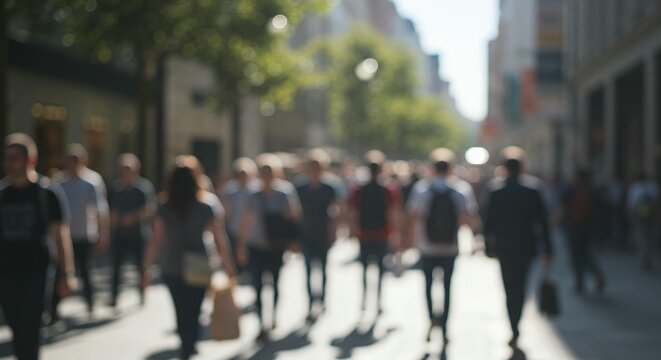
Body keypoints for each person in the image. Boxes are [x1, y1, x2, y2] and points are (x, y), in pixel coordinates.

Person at [142, 159, 236, 360]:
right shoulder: (207, 204)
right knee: (194, 309)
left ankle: (186, 344)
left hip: (171, 264)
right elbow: (220, 239)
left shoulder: (164, 206)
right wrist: (229, 268)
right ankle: (190, 344)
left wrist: (147, 268)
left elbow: (156, 240)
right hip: (200, 264)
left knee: (180, 308)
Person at [0, 133, 77, 360]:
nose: (9, 163)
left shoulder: (47, 192)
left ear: (30, 159)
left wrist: (67, 274)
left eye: (15, 157)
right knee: (15, 328)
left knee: (31, 328)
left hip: (37, 271)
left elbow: (62, 236)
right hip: (7, 273)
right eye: (7, 158)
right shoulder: (2, 195)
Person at [405, 148, 479, 344]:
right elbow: (467, 218)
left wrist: (410, 242)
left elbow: (412, 216)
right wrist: (473, 241)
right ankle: (445, 327)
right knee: (447, 287)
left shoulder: (422, 189)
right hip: (450, 247)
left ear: (432, 168)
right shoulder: (460, 189)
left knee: (428, 285)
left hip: (426, 246)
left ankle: (432, 319)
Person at [484, 148, 552, 349]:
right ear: (522, 167)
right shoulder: (533, 190)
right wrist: (548, 251)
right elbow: (543, 223)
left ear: (504, 168)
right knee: (521, 286)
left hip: (505, 247)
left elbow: (488, 222)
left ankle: (513, 325)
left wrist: (489, 246)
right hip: (526, 247)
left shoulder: (496, 191)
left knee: (509, 287)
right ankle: (516, 324)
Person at [236, 153, 301, 341]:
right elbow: (246, 221)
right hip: (257, 244)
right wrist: (240, 245)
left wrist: (293, 240)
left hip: (276, 245)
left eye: (270, 172)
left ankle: (272, 315)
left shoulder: (284, 192)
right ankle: (260, 322)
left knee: (275, 281)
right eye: (263, 172)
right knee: (256, 284)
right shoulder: (252, 194)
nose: (266, 176)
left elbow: (293, 218)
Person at [51, 145, 109, 321]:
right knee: (59, 272)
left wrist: (103, 233)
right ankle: (53, 309)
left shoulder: (91, 181)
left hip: (84, 234)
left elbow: (100, 210)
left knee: (86, 270)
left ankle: (90, 302)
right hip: (64, 236)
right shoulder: (59, 182)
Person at [348, 150, 401, 315]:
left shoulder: (359, 189)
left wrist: (353, 230)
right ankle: (378, 301)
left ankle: (364, 298)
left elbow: (353, 212)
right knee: (380, 270)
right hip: (382, 234)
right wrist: (395, 233)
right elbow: (393, 213)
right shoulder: (388, 189)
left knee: (364, 269)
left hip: (364, 233)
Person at [295, 149, 339, 320]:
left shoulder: (329, 187)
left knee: (323, 269)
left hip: (323, 233)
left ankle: (322, 300)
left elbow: (335, 209)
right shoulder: (300, 188)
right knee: (307, 270)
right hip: (306, 234)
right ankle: (310, 302)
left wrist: (334, 230)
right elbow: (295, 213)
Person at [109, 153, 155, 307]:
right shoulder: (116, 188)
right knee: (116, 267)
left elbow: (148, 210)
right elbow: (113, 211)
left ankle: (142, 292)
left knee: (140, 267)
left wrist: (132, 218)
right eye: (122, 169)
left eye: (128, 169)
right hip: (120, 234)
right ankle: (114, 296)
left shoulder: (143, 188)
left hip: (138, 234)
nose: (125, 172)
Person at [561, 169, 606, 293]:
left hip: (574, 227)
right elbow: (601, 212)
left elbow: (563, 207)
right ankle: (596, 275)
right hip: (588, 228)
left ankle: (580, 282)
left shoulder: (572, 190)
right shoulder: (594, 191)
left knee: (576, 256)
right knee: (586, 255)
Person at [222, 157, 259, 273]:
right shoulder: (230, 190)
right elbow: (226, 210)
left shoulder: (256, 189)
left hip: (252, 232)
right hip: (234, 228)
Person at [627, 172, 660, 271]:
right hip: (652, 216)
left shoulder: (635, 187)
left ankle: (645, 258)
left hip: (640, 216)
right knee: (651, 238)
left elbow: (631, 203)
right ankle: (648, 258)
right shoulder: (652, 187)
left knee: (642, 237)